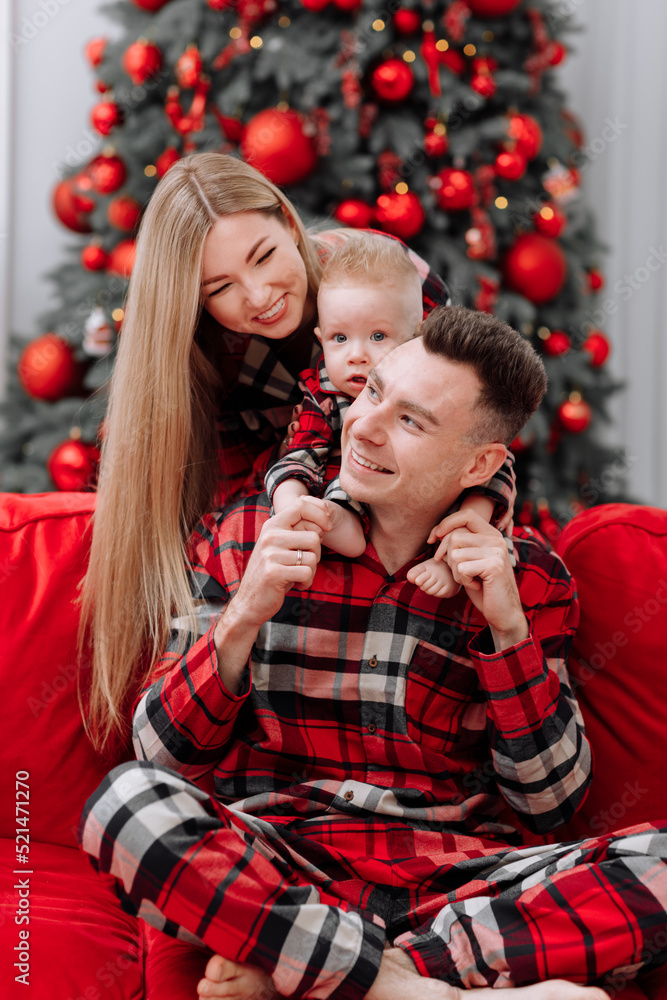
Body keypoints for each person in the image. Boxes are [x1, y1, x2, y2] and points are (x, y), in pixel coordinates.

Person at [79, 306, 667, 1000]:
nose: (363, 425)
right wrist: (242, 615)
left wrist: (508, 634)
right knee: (128, 805)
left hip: (456, 886)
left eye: (411, 421)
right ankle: (418, 990)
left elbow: (550, 806)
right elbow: (160, 760)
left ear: (478, 462)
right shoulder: (250, 532)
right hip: (285, 866)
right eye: (371, 391)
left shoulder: (527, 576)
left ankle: (318, 972)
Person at [76, 151, 516, 755]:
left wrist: (479, 512)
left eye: (263, 256)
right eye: (221, 287)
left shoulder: (380, 276)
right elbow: (232, 524)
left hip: (411, 507)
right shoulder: (211, 357)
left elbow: (462, 420)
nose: (258, 296)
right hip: (302, 521)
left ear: (287, 220)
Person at [265, 232, 510, 597]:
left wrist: (475, 513)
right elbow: (302, 450)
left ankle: (451, 554)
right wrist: (293, 508)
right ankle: (333, 519)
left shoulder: (430, 386)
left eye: (378, 336)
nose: (357, 355)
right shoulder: (323, 395)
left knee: (482, 481)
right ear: (321, 338)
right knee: (304, 471)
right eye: (339, 338)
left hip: (430, 502)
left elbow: (484, 453)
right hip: (347, 493)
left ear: (414, 336)